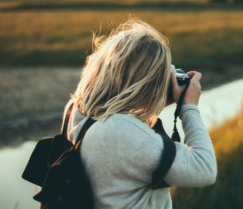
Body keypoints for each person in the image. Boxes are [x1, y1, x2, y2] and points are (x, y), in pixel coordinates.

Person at [62, 19, 217, 209]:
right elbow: (205, 168)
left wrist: (157, 99)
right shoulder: (121, 132)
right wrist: (189, 107)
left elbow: (124, 154)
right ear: (147, 82)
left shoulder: (78, 111)